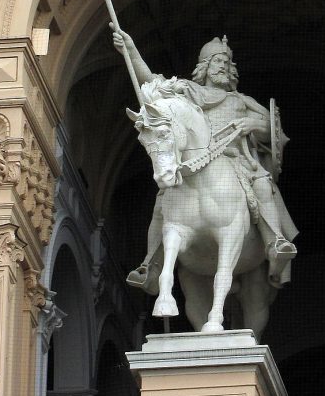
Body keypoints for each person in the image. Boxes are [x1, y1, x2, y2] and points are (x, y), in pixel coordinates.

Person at [113, 29, 297, 291]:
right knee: (162, 201)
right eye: (217, 62)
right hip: (192, 163)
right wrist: (131, 51)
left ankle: (274, 242)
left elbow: (273, 132)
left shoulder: (240, 100)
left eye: (225, 63)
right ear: (205, 66)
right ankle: (150, 265)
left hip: (235, 161)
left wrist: (252, 123)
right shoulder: (186, 92)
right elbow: (150, 80)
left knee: (263, 186)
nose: (222, 67)